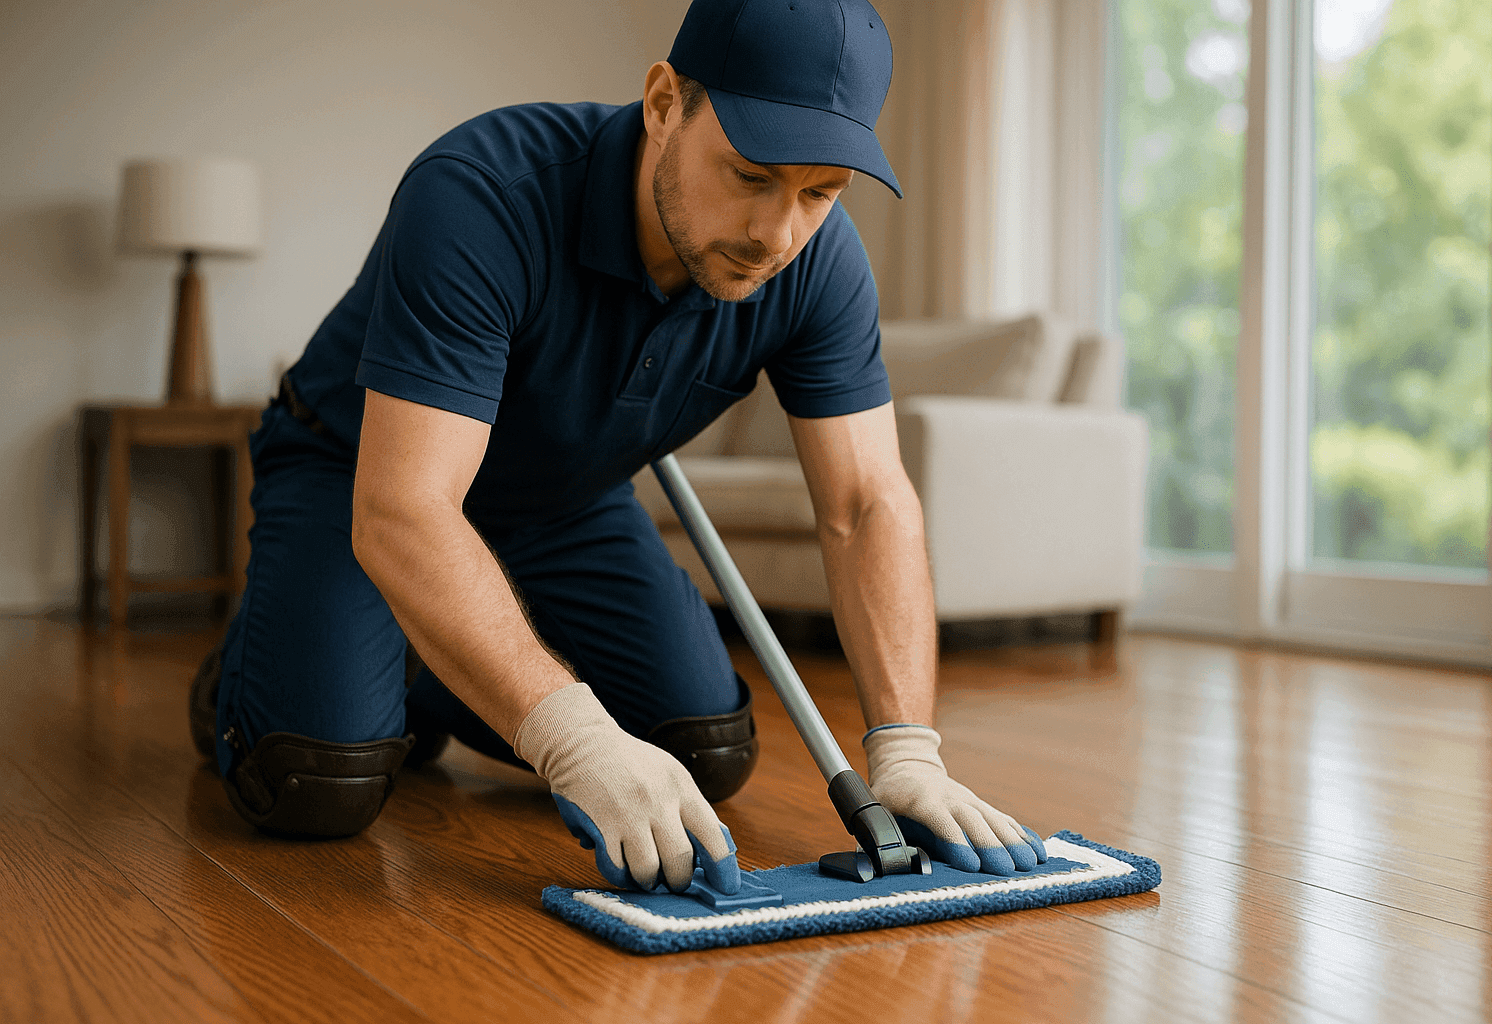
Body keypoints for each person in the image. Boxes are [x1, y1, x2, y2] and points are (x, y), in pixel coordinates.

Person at [190, 0, 1050, 894]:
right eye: (751, 175)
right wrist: (573, 738)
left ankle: (414, 662)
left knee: (700, 753)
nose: (777, 234)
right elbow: (406, 507)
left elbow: (867, 502)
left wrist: (908, 750)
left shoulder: (818, 264)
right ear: (663, 102)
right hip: (361, 477)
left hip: (565, 497)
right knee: (314, 781)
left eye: (820, 192)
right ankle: (249, 683)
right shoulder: (481, 194)